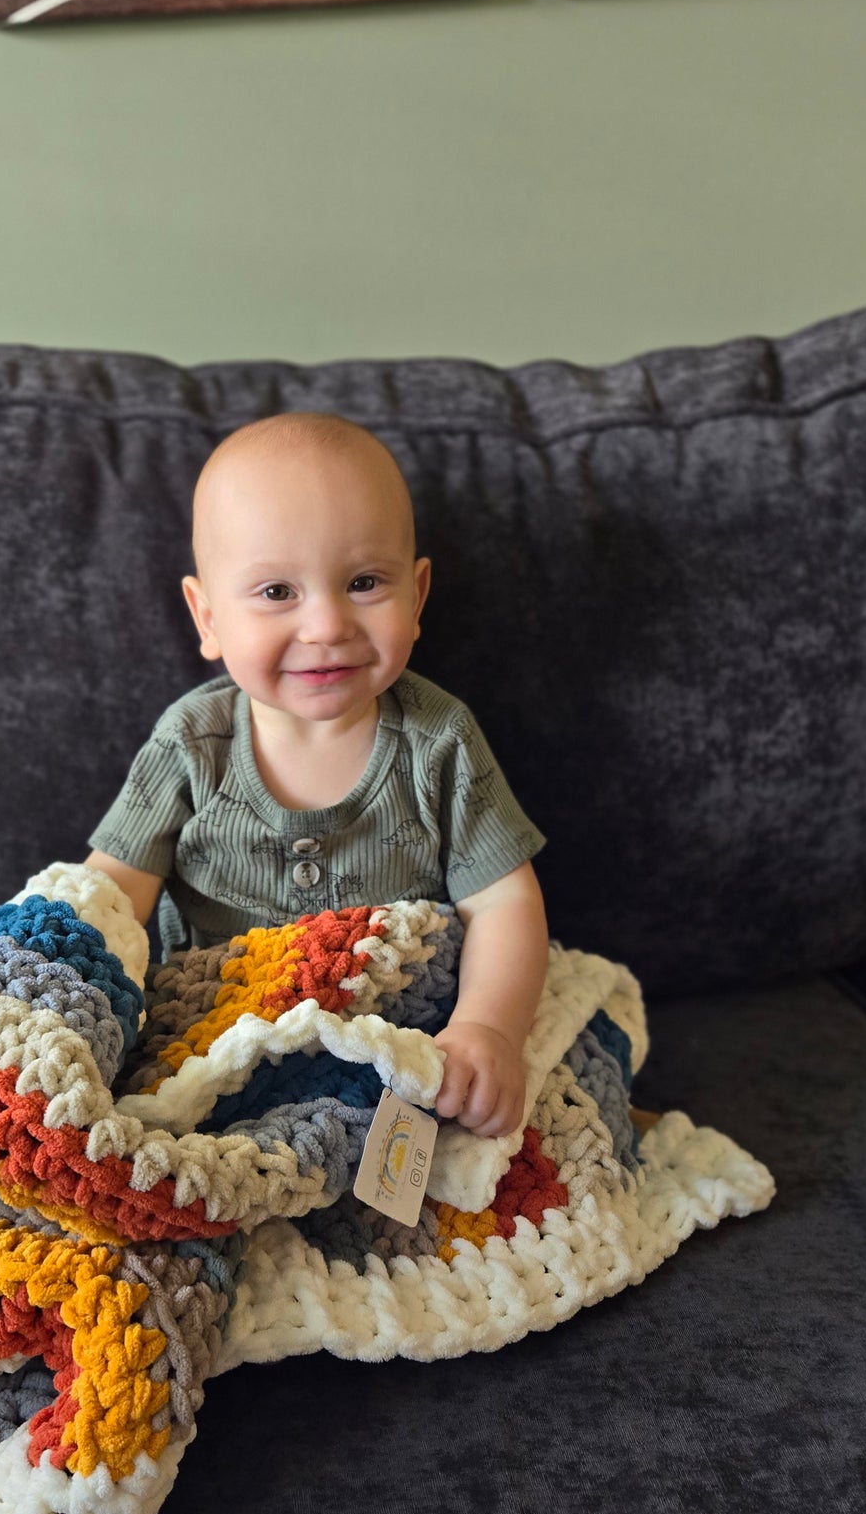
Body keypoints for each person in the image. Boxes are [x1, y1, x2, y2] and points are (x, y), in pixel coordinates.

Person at [84, 411, 551, 1141]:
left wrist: (486, 1028)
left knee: (534, 1110)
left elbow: (503, 905)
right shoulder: (191, 743)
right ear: (206, 616)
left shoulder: (438, 740)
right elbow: (107, 899)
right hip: (212, 1038)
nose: (327, 624)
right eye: (276, 592)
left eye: (364, 582)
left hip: (396, 1047)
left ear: (417, 595)